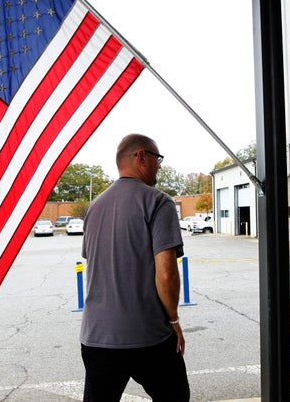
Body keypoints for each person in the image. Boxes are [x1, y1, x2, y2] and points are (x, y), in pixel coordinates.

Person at [80, 134, 190, 402]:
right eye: (157, 158)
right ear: (141, 156)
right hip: (147, 337)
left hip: (96, 338)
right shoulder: (158, 201)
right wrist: (173, 320)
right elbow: (166, 273)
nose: (160, 165)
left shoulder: (94, 207)